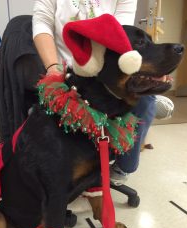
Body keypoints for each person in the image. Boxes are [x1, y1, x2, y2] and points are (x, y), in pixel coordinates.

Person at [32, 0, 173, 185]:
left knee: (144, 102)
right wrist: (53, 67)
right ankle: (70, 169)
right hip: (65, 67)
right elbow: (42, 22)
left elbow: (121, 35)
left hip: (108, 66)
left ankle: (121, 168)